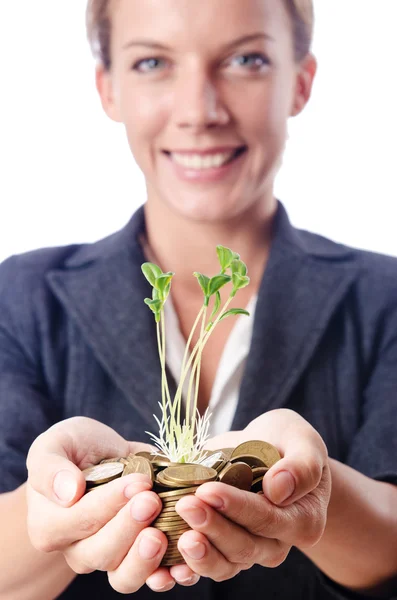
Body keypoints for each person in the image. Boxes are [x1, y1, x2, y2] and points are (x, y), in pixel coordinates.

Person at [0, 0, 396, 598]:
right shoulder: (21, 297)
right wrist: (63, 507)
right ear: (108, 89)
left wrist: (315, 492)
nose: (199, 111)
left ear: (301, 81)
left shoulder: (385, 299)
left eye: (246, 59)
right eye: (153, 62)